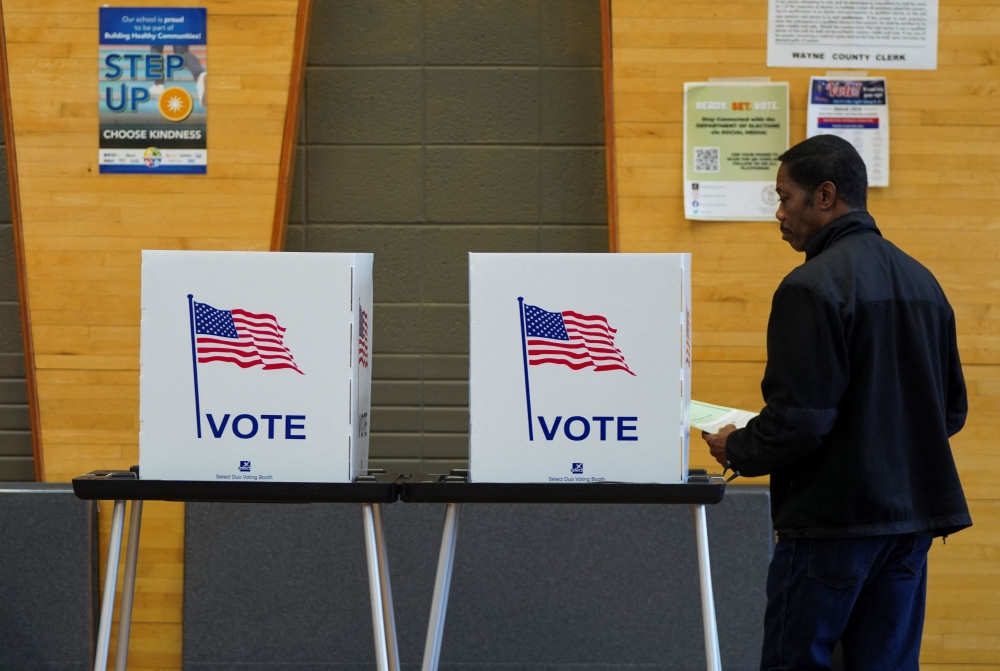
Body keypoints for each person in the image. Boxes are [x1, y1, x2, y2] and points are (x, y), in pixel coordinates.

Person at [702, 134, 971, 671]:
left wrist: (738, 448)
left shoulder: (810, 286)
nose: (778, 213)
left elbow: (800, 421)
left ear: (824, 196)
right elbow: (951, 412)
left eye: (784, 197)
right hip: (909, 525)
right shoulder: (924, 283)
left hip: (833, 527)